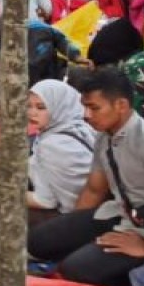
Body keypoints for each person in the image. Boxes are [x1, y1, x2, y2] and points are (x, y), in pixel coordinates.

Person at [29, 67, 144, 286]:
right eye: (85, 107)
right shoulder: (105, 135)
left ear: (121, 106)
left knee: (76, 269)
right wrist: (72, 232)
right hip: (122, 212)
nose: (86, 115)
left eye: (94, 108)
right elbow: (94, 189)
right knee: (38, 242)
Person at [26, 79, 98, 219]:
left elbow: (46, 201)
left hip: (72, 218)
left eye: (41, 107)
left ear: (59, 106)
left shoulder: (54, 144)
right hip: (96, 213)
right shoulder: (81, 126)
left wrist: (0, 188)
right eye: (29, 106)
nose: (32, 113)